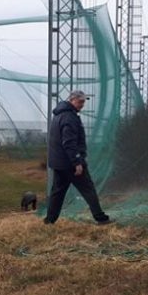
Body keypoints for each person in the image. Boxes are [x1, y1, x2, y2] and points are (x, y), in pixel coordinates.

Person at [43, 90, 111, 225]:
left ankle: (49, 221)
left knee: (57, 193)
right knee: (88, 189)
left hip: (59, 163)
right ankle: (100, 217)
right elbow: (69, 142)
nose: (82, 105)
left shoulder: (59, 115)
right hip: (70, 163)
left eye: (83, 102)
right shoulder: (69, 117)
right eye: (80, 102)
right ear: (72, 100)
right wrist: (77, 162)